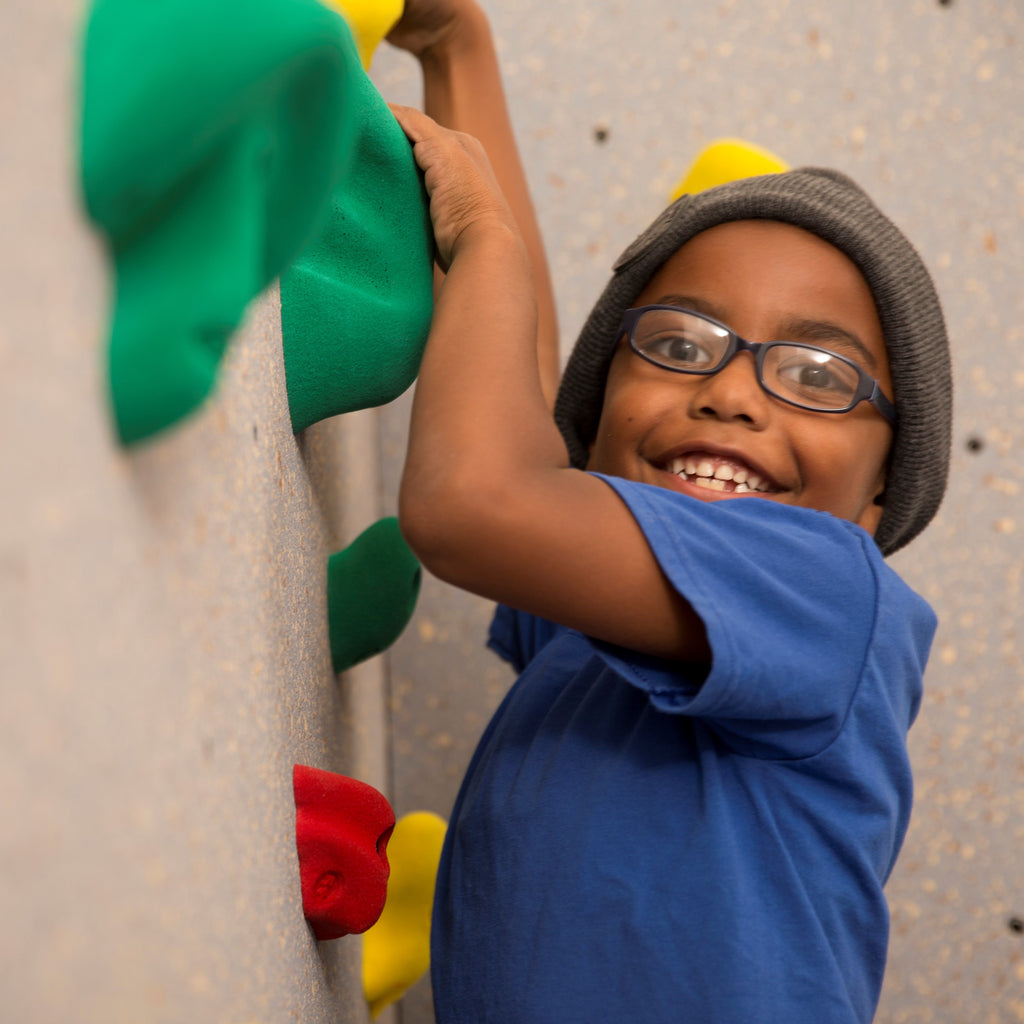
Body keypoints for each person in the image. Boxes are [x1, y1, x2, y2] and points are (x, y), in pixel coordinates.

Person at [385, 2, 953, 1022]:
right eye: (682, 343)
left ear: (877, 493)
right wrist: (455, 46)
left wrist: (488, 246)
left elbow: (473, 499)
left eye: (817, 374)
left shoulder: (825, 593)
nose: (733, 392)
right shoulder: (609, 617)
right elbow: (526, 433)